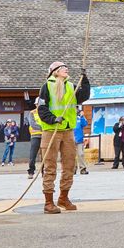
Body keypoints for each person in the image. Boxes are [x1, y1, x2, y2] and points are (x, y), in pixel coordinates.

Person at [36, 61, 90, 213]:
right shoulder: (46, 87)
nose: (66, 69)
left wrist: (84, 79)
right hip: (51, 131)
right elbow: (42, 108)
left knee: (69, 165)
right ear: (55, 71)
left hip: (67, 131)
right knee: (50, 166)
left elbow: (83, 97)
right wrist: (53, 119)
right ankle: (48, 202)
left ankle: (63, 198)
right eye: (63, 68)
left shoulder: (71, 86)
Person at [73, 106, 90, 175]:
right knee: (72, 155)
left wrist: (82, 116)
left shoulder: (80, 117)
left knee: (81, 154)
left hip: (79, 139)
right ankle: (73, 169)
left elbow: (85, 124)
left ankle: (83, 169)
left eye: (76, 108)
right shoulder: (69, 117)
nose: (75, 110)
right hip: (71, 138)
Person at [27, 111, 43, 179]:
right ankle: (31, 171)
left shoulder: (45, 111)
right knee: (32, 155)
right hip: (35, 136)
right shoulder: (32, 113)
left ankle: (44, 171)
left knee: (45, 155)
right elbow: (32, 124)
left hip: (44, 136)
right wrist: (43, 127)